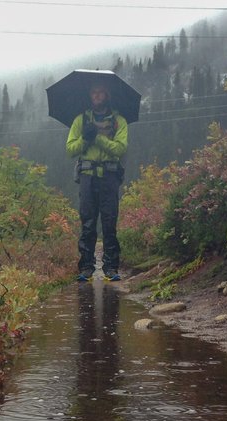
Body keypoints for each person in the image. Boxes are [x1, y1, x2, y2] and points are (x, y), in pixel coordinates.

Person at [66, 83, 128, 282]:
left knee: (110, 221)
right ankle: (86, 267)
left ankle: (111, 267)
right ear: (90, 95)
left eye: (100, 91)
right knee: (88, 221)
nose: (97, 95)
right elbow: (70, 149)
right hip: (87, 176)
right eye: (93, 91)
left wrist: (97, 138)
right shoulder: (79, 120)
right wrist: (85, 139)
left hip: (109, 176)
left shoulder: (119, 121)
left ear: (107, 94)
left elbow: (120, 149)